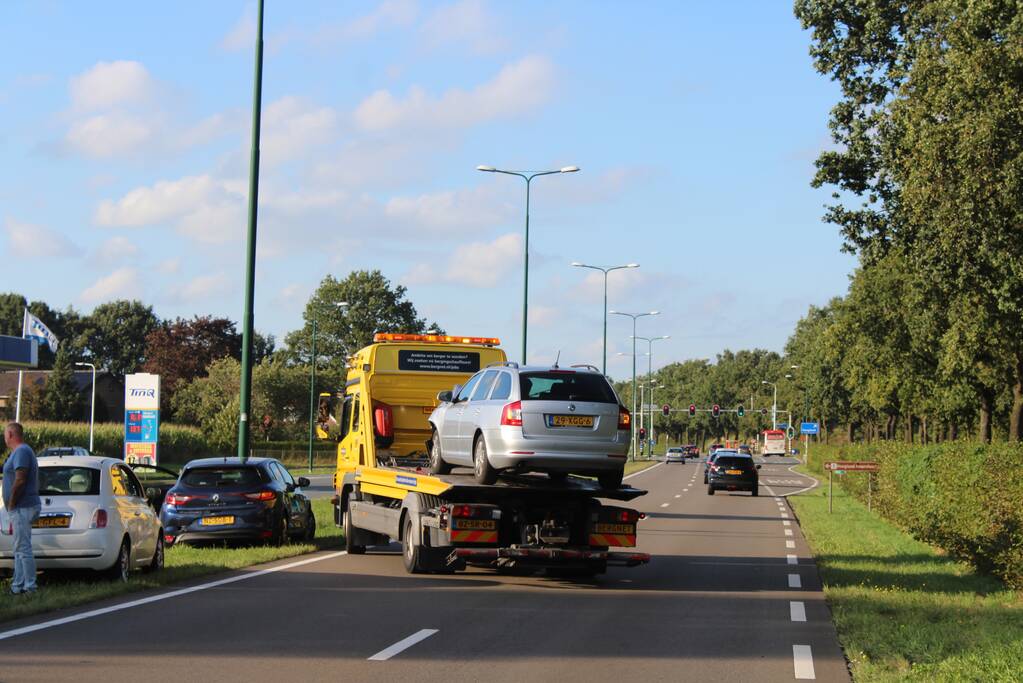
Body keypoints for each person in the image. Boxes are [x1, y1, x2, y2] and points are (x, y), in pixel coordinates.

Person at [3, 422, 40, 594]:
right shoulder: (19, 452)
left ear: (11, 434)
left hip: (22, 506)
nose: (4, 438)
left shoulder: (21, 451)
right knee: (19, 548)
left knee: (23, 548)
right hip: (21, 507)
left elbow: (20, 478)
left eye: (5, 434)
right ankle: (17, 586)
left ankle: (30, 586)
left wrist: (11, 502)